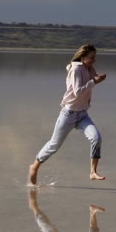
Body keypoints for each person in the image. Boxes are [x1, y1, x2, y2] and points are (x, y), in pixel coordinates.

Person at [28, 44, 107, 186]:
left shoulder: (87, 68)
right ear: (82, 57)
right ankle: (34, 166)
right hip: (68, 114)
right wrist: (94, 81)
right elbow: (78, 92)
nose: (94, 60)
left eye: (95, 57)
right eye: (91, 58)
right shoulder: (76, 69)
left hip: (83, 115)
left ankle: (92, 172)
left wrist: (96, 77)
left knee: (96, 138)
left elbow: (92, 79)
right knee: (54, 145)